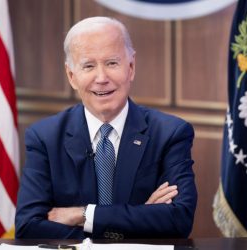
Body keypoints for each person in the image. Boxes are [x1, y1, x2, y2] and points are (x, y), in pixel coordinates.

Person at [15, 16, 197, 240]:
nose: (101, 78)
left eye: (112, 63)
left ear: (131, 67)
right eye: (88, 66)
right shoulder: (45, 137)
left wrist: (84, 215)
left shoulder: (170, 133)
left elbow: (179, 220)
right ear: (72, 76)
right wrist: (140, 219)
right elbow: (28, 227)